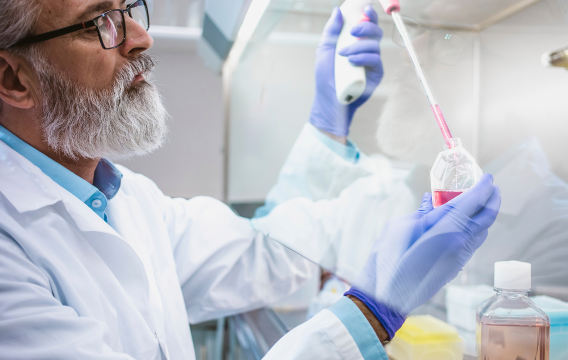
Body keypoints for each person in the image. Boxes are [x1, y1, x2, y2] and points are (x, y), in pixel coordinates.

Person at [0, 0, 501, 359]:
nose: (139, 36)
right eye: (99, 22)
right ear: (13, 79)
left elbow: (266, 250)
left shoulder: (121, 198)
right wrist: (372, 312)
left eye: (128, 8)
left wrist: (330, 125)